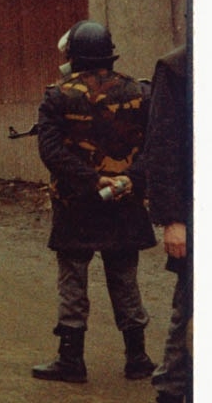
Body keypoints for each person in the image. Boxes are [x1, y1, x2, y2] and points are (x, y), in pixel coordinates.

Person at [32, 20, 156, 384]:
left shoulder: (56, 96)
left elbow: (51, 151)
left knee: (73, 280)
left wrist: (90, 180)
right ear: (108, 54)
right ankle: (137, 358)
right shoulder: (140, 92)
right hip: (125, 202)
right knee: (125, 279)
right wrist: (130, 179)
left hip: (75, 205)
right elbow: (155, 146)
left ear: (73, 55)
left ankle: (71, 360)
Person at [143, 44, 190, 403]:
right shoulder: (178, 67)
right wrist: (173, 218)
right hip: (198, 217)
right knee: (188, 323)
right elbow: (162, 148)